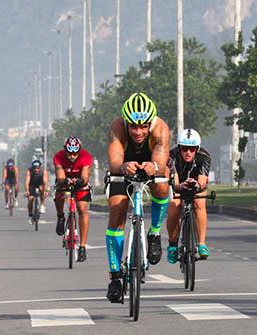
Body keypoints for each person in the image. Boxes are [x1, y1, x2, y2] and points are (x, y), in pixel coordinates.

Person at [105, 92, 170, 303]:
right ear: (126, 122)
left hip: (151, 164)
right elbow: (114, 161)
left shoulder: (160, 128)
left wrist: (156, 167)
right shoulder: (117, 127)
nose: (139, 131)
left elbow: (161, 158)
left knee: (162, 185)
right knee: (117, 212)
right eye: (133, 126)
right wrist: (123, 166)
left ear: (150, 122)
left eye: (143, 126)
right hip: (124, 167)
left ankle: (154, 233)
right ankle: (115, 276)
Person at [166, 128, 211, 264]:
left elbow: (203, 181)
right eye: (184, 149)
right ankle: (173, 245)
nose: (188, 152)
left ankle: (201, 243)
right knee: (174, 206)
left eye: (192, 149)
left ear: (197, 149)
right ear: (179, 148)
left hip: (196, 184)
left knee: (199, 203)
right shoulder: (171, 156)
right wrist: (181, 186)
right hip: (178, 184)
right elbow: (174, 182)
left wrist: (197, 185)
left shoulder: (204, 156)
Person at [53, 136, 92, 262]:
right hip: (64, 180)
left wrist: (79, 181)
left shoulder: (86, 156)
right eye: (69, 153)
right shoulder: (58, 157)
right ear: (65, 150)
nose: (72, 156)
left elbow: (85, 177)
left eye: (75, 153)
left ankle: (82, 247)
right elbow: (60, 177)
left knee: (82, 208)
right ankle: (60, 216)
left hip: (80, 181)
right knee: (59, 196)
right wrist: (66, 181)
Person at [24, 159, 50, 224]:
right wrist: (27, 191)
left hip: (41, 184)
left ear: (40, 167)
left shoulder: (43, 171)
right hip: (31, 185)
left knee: (42, 190)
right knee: (30, 199)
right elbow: (27, 182)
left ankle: (42, 205)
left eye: (38, 168)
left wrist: (45, 190)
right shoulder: (29, 171)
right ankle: (30, 212)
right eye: (34, 168)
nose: (36, 170)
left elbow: (46, 182)